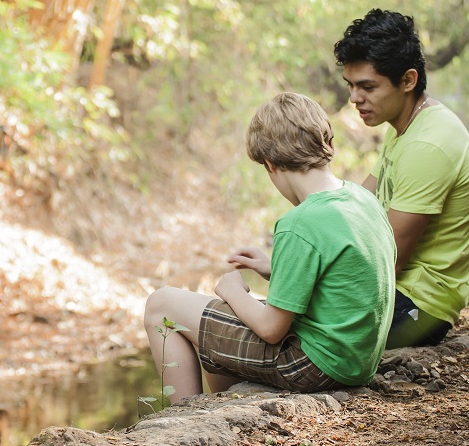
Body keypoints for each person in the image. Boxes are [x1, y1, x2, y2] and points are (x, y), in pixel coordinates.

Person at [142, 93, 395, 402]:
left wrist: (233, 291)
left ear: (271, 165)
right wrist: (275, 269)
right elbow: (347, 280)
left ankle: (181, 417)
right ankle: (223, 406)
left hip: (313, 365)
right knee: (213, 333)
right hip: (355, 362)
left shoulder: (300, 222)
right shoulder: (363, 199)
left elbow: (272, 328)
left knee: (161, 305)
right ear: (326, 143)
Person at [333, 9, 469, 348]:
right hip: (397, 289)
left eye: (367, 87)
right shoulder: (404, 125)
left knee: (284, 330)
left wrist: (305, 281)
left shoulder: (429, 144)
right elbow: (358, 206)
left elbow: (387, 260)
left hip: (419, 307)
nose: (354, 98)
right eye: (351, 86)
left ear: (408, 80)